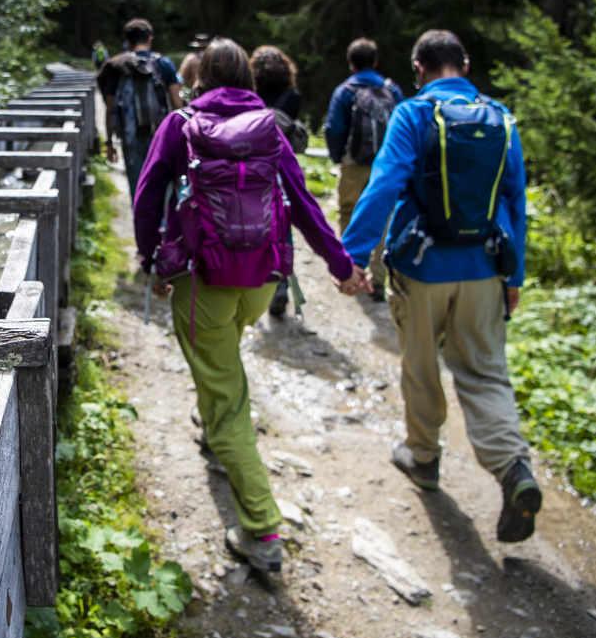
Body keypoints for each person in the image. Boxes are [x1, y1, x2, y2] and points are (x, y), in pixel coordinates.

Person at [134, 38, 371, 571]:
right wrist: (343, 267)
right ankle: (220, 429)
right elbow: (305, 205)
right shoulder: (268, 126)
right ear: (247, 79)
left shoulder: (180, 125)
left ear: (199, 79)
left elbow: (148, 195)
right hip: (260, 280)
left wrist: (153, 264)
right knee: (225, 364)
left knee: (225, 400)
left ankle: (261, 532)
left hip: (203, 280)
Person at [342, 29, 541, 543]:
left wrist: (352, 256)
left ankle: (424, 458)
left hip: (422, 268)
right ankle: (513, 469)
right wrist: (513, 276)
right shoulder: (501, 117)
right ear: (467, 64)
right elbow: (517, 202)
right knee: (485, 370)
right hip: (484, 268)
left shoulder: (412, 114)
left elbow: (383, 183)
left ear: (418, 67)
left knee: (421, 362)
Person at [323, 37, 405, 300]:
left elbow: (334, 128)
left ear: (351, 63)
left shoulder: (345, 91)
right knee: (384, 215)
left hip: (354, 163)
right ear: (375, 61)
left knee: (348, 210)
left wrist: (339, 157)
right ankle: (379, 278)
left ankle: (351, 271)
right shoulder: (392, 89)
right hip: (388, 165)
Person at [249, 45, 307, 317]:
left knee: (257, 223)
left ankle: (259, 279)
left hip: (254, 167)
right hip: (283, 166)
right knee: (284, 225)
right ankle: (283, 281)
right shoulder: (293, 97)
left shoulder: (251, 96)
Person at [97, 18, 184, 199]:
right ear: (150, 38)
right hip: (160, 137)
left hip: (131, 139)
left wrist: (110, 144)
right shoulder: (164, 64)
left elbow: (110, 108)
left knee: (139, 192)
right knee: (164, 191)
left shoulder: (116, 66)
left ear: (127, 41)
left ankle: (141, 225)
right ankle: (163, 226)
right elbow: (177, 104)